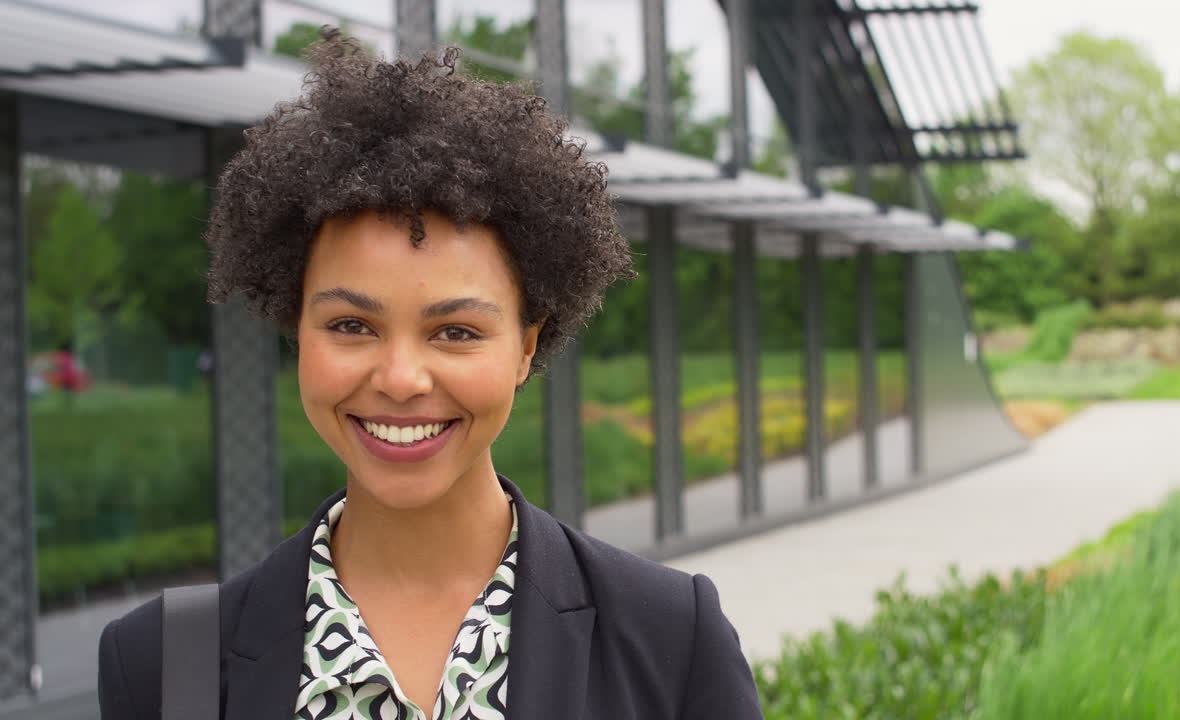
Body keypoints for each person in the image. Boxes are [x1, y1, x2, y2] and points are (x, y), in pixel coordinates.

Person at [97, 30, 763, 720]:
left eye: (456, 332)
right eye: (352, 326)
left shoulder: (671, 639)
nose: (402, 377)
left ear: (527, 348)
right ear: (297, 331)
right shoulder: (163, 666)